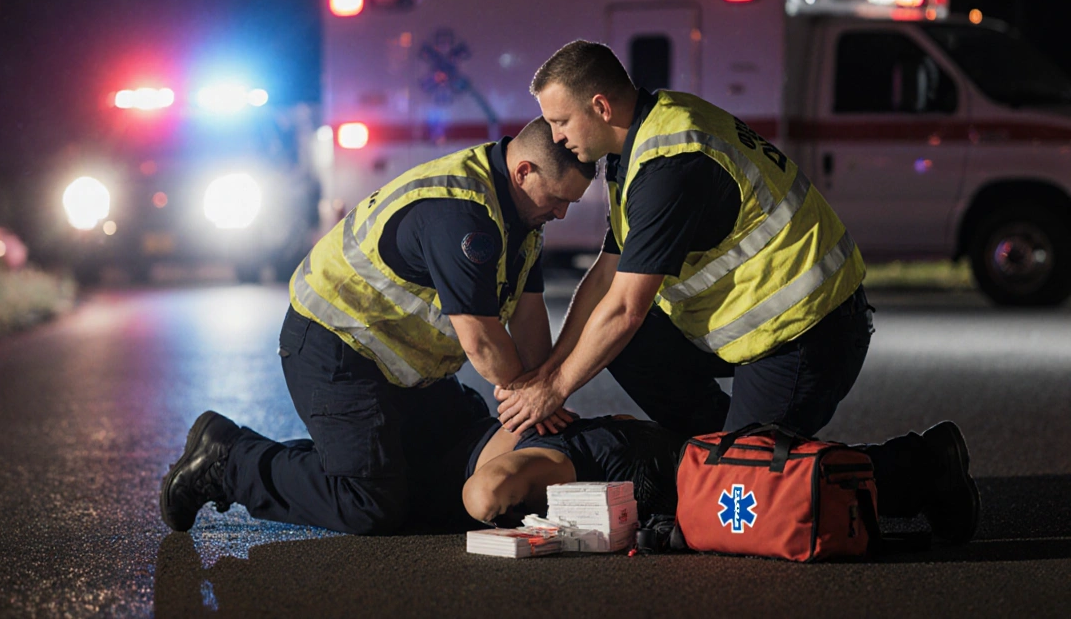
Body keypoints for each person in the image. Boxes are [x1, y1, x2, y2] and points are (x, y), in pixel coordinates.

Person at [496, 41, 977, 540]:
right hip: (747, 327)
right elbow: (604, 277)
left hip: (807, 330)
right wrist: (550, 370)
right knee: (639, 363)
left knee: (741, 492)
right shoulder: (638, 142)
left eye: (560, 122)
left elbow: (624, 308)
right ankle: (717, 457)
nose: (554, 137)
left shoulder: (670, 165)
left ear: (600, 106)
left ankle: (922, 468)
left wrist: (554, 390)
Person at [160, 117, 595, 535]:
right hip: (335, 347)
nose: (561, 213)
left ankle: (356, 461)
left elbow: (529, 313)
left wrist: (544, 391)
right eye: (558, 199)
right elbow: (482, 342)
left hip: (401, 367)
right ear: (524, 171)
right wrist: (532, 394)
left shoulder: (523, 218)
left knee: (459, 457)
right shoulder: (464, 213)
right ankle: (229, 461)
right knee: (370, 502)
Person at [458, 416, 980, 545]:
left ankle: (925, 462)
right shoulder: (555, 441)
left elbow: (487, 494)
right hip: (665, 463)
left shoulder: (542, 454)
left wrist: (478, 502)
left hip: (663, 472)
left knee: (777, 494)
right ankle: (920, 466)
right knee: (776, 478)